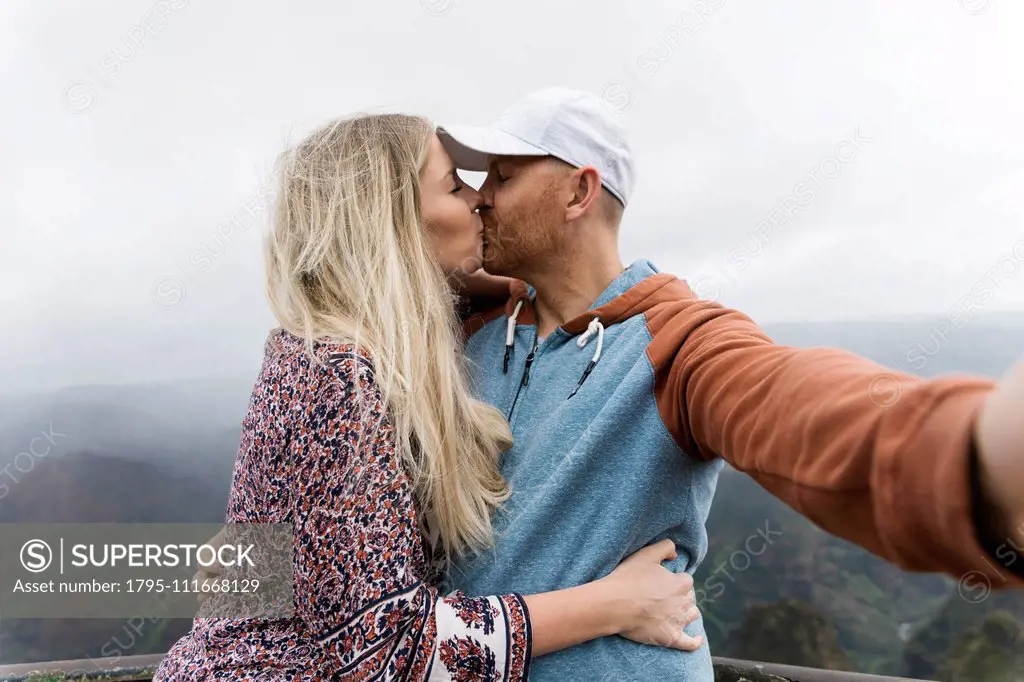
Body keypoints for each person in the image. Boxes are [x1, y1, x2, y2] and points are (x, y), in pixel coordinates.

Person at [428, 87, 1024, 681]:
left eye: (502, 178)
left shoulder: (682, 343)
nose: (480, 199)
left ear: (579, 193)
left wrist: (978, 448)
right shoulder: (470, 323)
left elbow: (788, 399)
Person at [153, 114, 703, 681]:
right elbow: (387, 655)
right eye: (454, 185)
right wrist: (614, 604)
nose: (477, 202)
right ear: (392, 222)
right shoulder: (339, 378)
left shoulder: (320, 349)